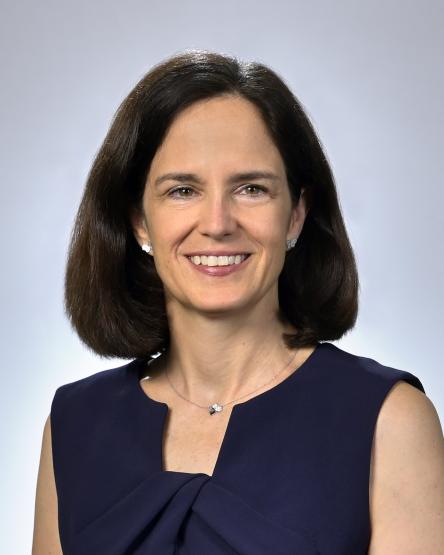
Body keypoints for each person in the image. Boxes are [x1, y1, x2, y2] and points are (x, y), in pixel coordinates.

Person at [32, 49, 444, 554]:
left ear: (296, 214)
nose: (218, 223)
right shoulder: (73, 425)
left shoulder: (390, 421)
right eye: (183, 190)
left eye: (251, 188)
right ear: (139, 221)